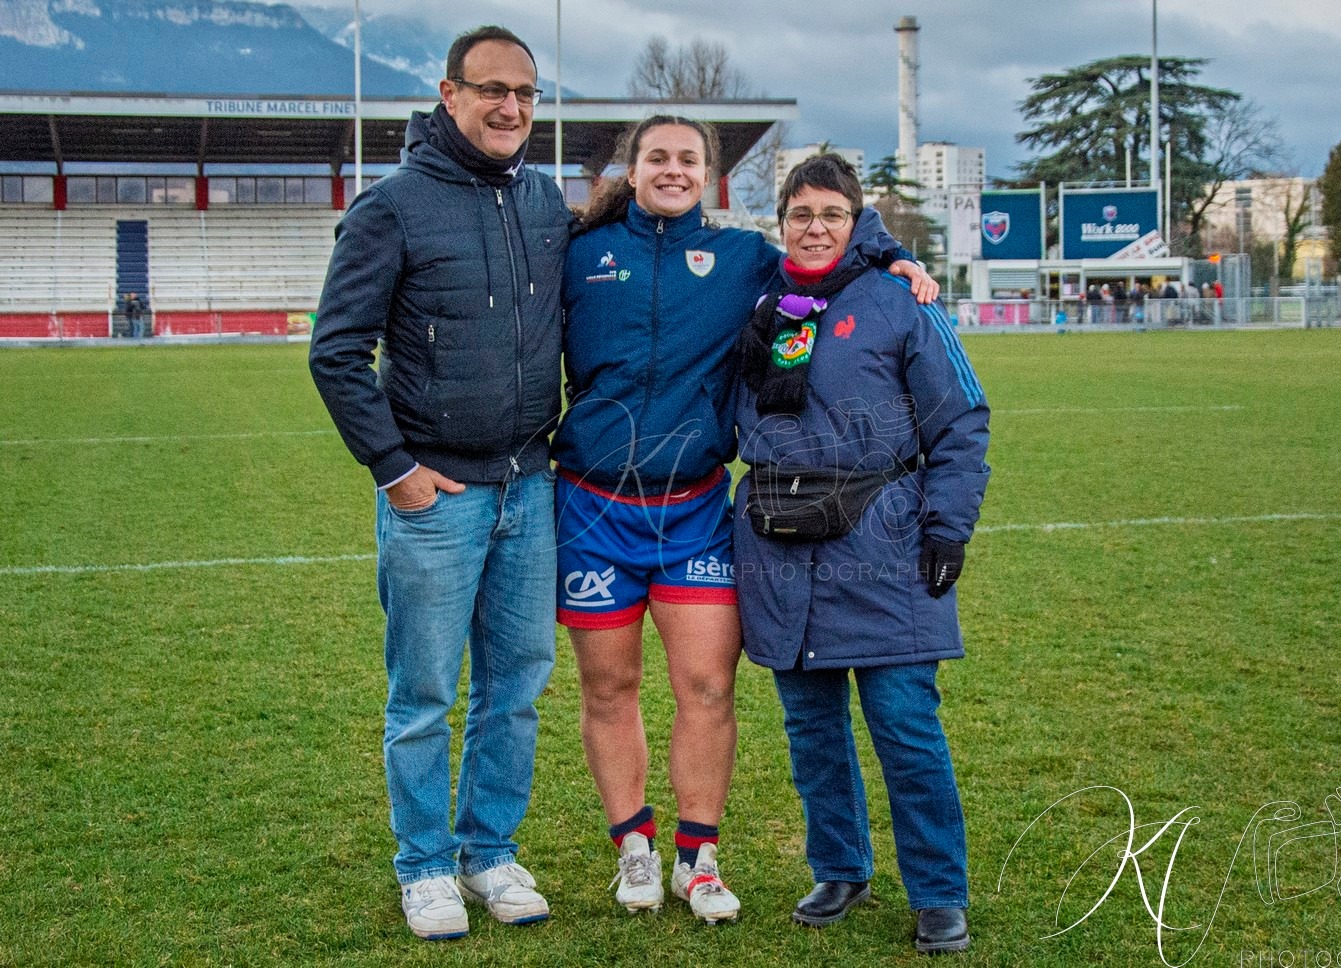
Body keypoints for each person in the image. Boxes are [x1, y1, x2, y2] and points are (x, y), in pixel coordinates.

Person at [553, 121, 937, 923]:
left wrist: (892, 251)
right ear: (633, 168)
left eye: (688, 159)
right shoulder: (579, 253)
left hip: (695, 508)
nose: (672, 169)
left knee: (707, 686)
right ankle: (634, 846)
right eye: (657, 157)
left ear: (711, 177)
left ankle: (699, 860)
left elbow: (823, 250)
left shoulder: (744, 262)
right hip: (593, 506)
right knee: (610, 686)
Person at [308, 25, 571, 941]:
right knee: (423, 691)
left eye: (526, 95)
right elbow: (335, 351)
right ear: (448, 95)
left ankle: (489, 853)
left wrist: (877, 258)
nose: (509, 108)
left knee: (517, 688)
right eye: (491, 89)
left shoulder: (546, 201)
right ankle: (423, 866)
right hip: (436, 500)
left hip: (530, 491)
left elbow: (648, 238)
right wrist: (397, 471)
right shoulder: (392, 207)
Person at [732, 154, 991, 955]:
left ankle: (939, 890)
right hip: (780, 542)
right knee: (811, 730)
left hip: (883, 542)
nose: (815, 227)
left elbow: (962, 421)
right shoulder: (760, 302)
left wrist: (948, 526)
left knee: (905, 725)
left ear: (856, 224)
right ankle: (840, 866)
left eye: (832, 215)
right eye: (801, 213)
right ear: (781, 222)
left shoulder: (898, 300)